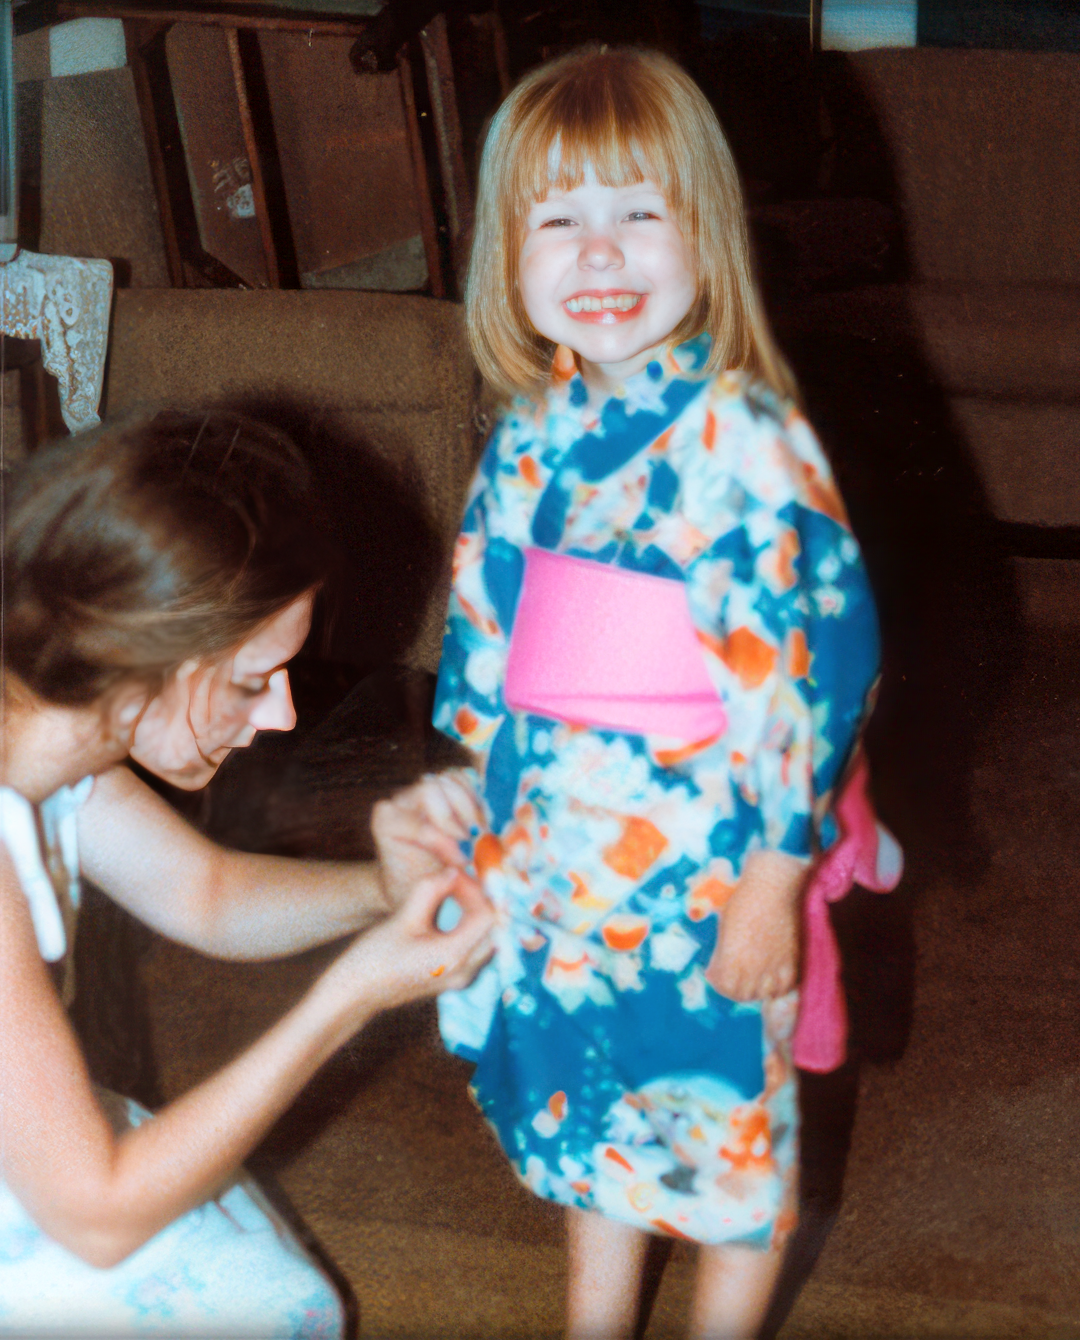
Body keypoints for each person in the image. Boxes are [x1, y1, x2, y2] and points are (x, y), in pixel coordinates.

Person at [426, 47, 882, 1339]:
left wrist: (778, 876)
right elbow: (485, 638)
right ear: (507, 254)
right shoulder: (533, 431)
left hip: (705, 861)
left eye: (642, 211)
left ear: (708, 232)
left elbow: (812, 658)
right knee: (591, 1114)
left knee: (729, 1139)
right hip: (563, 854)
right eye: (557, 218)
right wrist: (471, 797)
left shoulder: (745, 437)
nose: (601, 253)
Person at [0, 410, 493, 1337]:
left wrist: (386, 890)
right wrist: (349, 996)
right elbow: (98, 1214)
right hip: (67, 1196)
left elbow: (205, 893)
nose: (275, 717)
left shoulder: (45, 731)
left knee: (274, 1286)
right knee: (272, 1309)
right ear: (140, 660)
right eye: (249, 680)